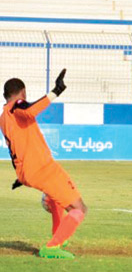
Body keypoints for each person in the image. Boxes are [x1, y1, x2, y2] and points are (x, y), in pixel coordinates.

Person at [1, 69, 88, 259]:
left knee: (56, 199)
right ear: (22, 93)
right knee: (79, 209)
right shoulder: (17, 106)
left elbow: (16, 147)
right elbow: (31, 109)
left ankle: (59, 232)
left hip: (28, 171)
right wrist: (55, 91)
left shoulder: (4, 117)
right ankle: (52, 247)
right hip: (42, 169)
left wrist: (21, 175)